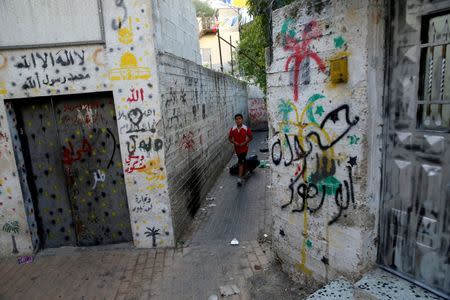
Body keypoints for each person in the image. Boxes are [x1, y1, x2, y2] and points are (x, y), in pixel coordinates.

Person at [228, 113, 253, 186]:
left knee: (240, 162)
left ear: (242, 119)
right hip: (237, 149)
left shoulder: (246, 128)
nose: (238, 120)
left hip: (244, 148)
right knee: (242, 160)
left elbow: (251, 137)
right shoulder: (233, 129)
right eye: (236, 119)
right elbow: (229, 138)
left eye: (239, 119)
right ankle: (247, 171)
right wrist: (234, 142)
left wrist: (244, 142)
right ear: (235, 120)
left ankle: (239, 179)